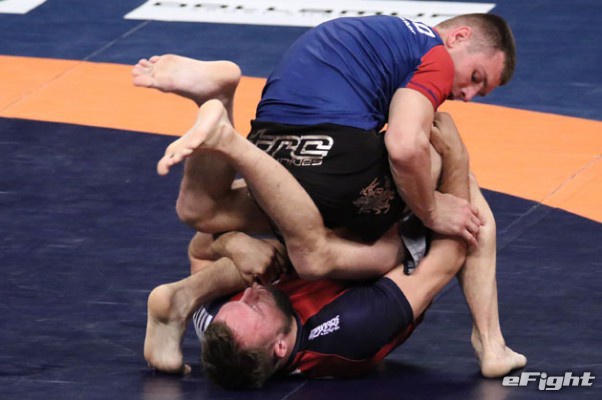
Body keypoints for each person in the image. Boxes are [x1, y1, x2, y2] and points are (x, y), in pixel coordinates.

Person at [146, 13, 516, 249]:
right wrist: (432, 211)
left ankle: (218, 98)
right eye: (475, 78)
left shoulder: (382, 30)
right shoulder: (435, 56)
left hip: (269, 141)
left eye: (478, 94)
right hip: (333, 152)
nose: (467, 95)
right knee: (423, 171)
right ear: (458, 37)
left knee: (204, 211)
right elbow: (405, 146)